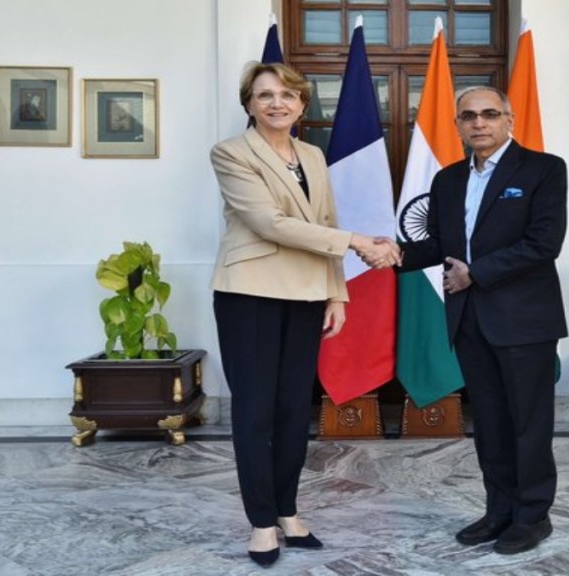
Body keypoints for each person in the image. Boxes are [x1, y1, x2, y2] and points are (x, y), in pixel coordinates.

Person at [209, 61, 400, 568]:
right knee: (255, 413)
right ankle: (261, 522)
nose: (277, 103)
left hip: (307, 294)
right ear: (248, 103)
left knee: (295, 409)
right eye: (265, 95)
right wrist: (359, 242)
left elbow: (324, 223)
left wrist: (336, 293)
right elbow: (269, 223)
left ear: (302, 104)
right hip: (249, 293)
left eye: (288, 96)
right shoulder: (230, 153)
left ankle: (289, 511)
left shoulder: (312, 154)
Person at [395, 86, 568, 554]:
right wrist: (389, 254)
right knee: (490, 422)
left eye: (490, 114)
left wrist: (476, 273)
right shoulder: (448, 180)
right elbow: (437, 244)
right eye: (469, 116)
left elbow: (543, 243)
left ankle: (533, 516)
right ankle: (499, 510)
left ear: (509, 119)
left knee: (528, 424)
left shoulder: (544, 170)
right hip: (470, 320)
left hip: (524, 321)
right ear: (457, 125)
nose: (479, 123)